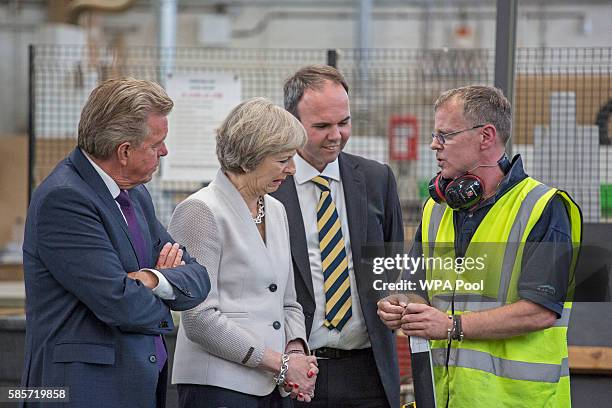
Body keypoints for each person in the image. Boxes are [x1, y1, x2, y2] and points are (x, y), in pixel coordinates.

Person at [377, 85, 582, 407]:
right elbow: (416, 287)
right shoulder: (438, 208)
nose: (434, 145)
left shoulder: (543, 207)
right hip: (446, 397)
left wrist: (451, 326)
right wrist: (402, 307)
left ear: (486, 136)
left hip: (519, 401)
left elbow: (541, 311)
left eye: (445, 135)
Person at [21, 78, 211, 408]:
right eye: (156, 145)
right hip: (83, 392)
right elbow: (122, 303)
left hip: (135, 385)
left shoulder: (135, 194)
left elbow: (198, 277)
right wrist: (164, 289)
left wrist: (152, 278)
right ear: (124, 151)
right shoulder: (65, 199)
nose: (164, 152)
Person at [169, 97, 318, 407]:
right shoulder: (200, 210)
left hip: (273, 386)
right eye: (282, 159)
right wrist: (279, 364)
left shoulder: (275, 209)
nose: (292, 169)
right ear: (251, 157)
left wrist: (295, 354)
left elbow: (288, 300)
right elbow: (199, 318)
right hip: (217, 388)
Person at [272, 65, 404, 408]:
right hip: (295, 370)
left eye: (343, 123)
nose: (336, 135)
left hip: (367, 370)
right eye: (321, 126)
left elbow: (393, 267)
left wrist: (399, 298)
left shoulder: (377, 180)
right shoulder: (269, 187)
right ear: (292, 123)